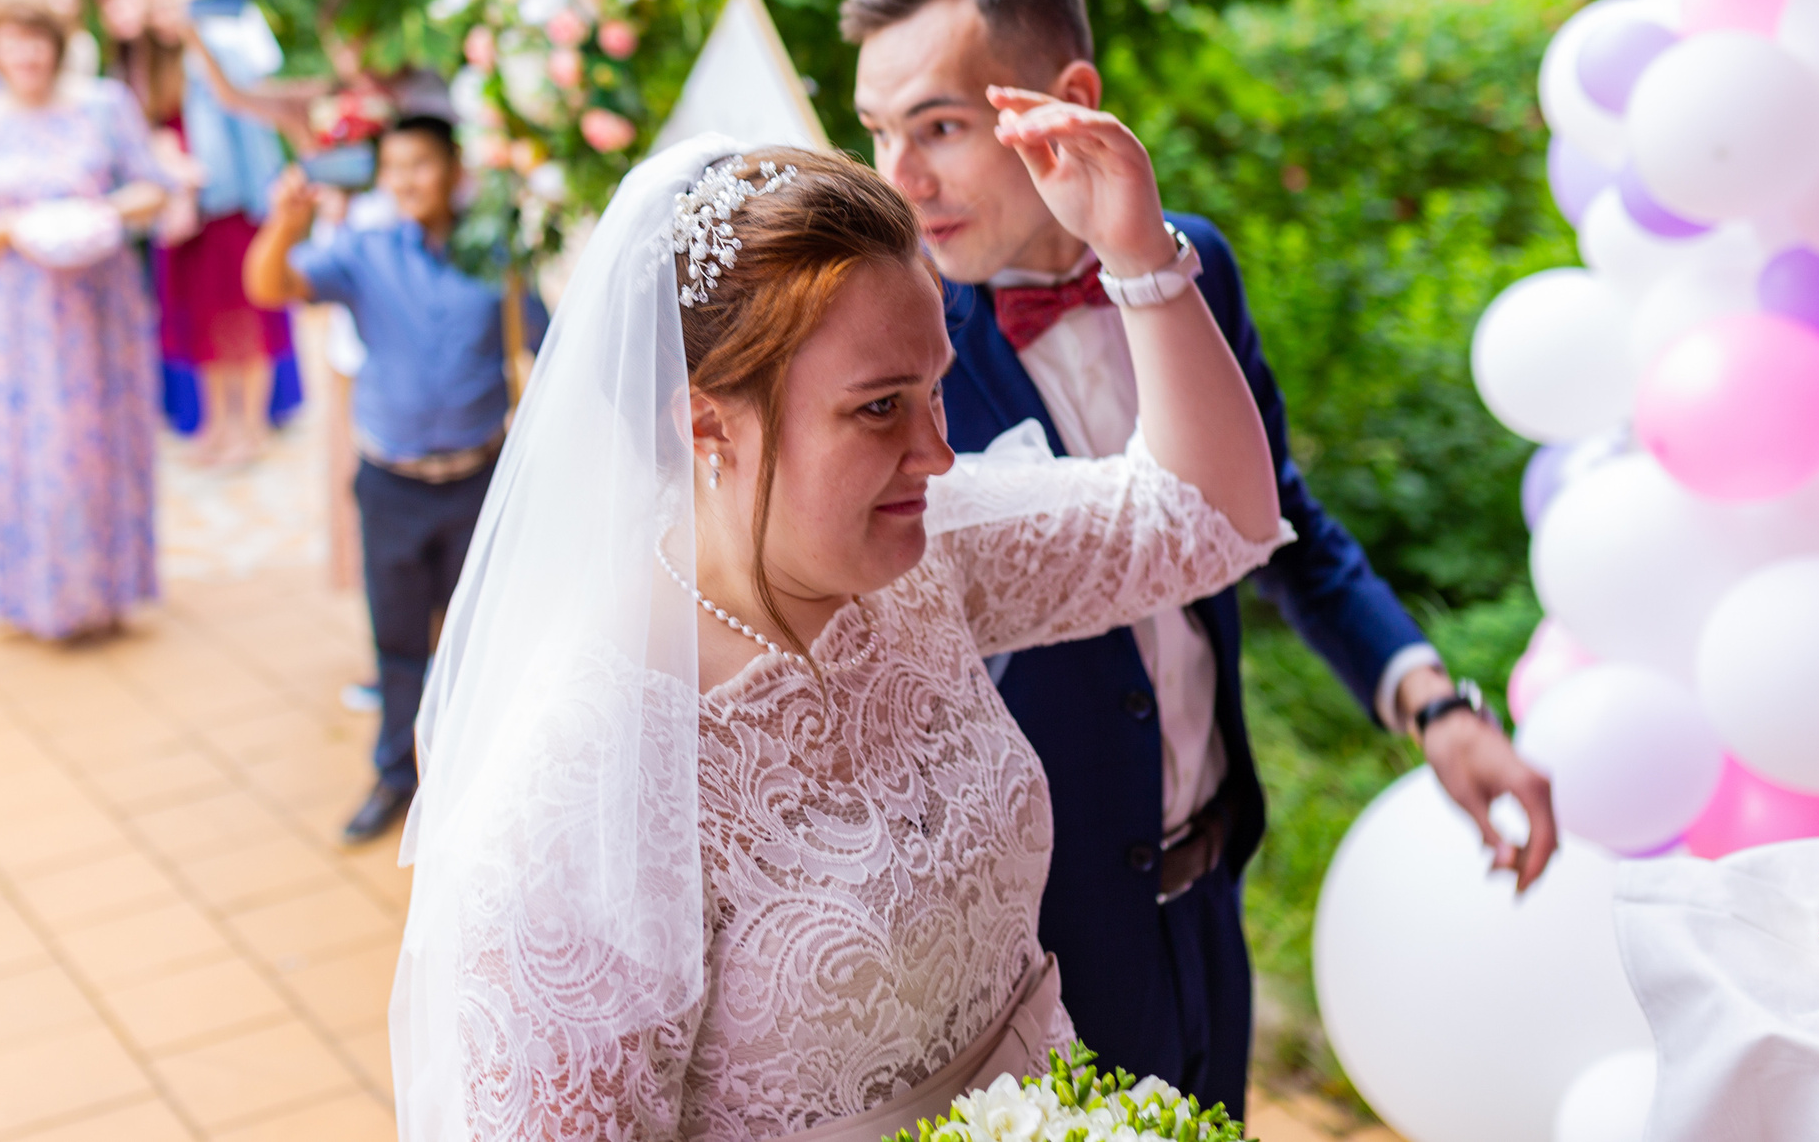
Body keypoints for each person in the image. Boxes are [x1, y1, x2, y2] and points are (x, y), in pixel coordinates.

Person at [390, 125, 1289, 1141]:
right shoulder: (584, 785)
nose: (939, 454)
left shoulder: (916, 557)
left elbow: (1208, 522)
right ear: (706, 424)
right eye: (878, 409)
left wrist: (1138, 255)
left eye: (937, 387)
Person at [845, 0, 1561, 1116]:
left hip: (1211, 890)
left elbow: (1275, 517)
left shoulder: (1193, 269)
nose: (899, 177)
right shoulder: (890, 351)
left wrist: (1428, 701)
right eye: (878, 132)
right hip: (1030, 956)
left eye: (938, 127)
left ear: (1066, 102)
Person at [245, 114, 543, 845]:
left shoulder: (496, 249)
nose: (407, 179)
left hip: (480, 479)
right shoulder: (363, 251)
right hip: (391, 484)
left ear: (454, 169)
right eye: (394, 166)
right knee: (399, 642)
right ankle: (396, 776)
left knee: (485, 642)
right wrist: (285, 224)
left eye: (422, 164)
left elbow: (547, 341)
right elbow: (268, 286)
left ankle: (486, 783)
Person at [0, 0, 170, 641]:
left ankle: (112, 588)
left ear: (59, 43)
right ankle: (36, 597)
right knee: (36, 455)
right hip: (22, 320)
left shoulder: (104, 105)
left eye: (39, 40)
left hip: (100, 307)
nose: (28, 55)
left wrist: (97, 213)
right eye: (14, 41)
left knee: (101, 448)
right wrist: (19, 227)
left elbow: (151, 187)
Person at [131, 0, 297, 465]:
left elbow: (257, 88)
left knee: (248, 315)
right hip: (191, 208)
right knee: (205, 322)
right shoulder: (153, 53)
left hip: (240, 197)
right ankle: (219, 427)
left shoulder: (228, 20)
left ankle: (251, 428)